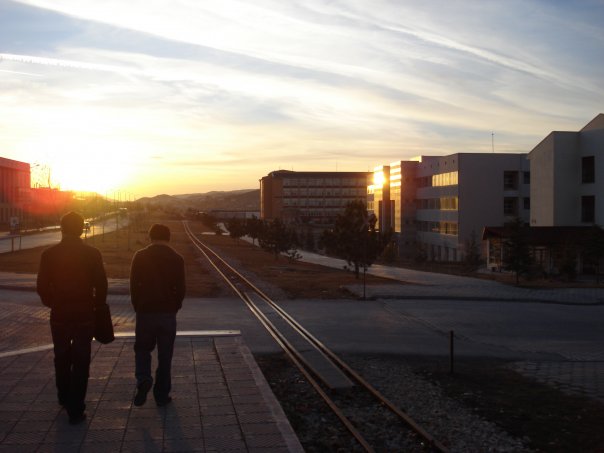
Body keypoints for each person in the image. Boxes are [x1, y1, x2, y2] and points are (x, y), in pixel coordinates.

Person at [37, 211, 108, 425]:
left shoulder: (49, 254)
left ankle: (63, 395)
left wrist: (53, 302)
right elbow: (102, 284)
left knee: (61, 354)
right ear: (81, 228)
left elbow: (41, 287)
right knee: (81, 358)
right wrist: (96, 305)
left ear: (62, 228)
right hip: (84, 312)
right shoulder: (92, 253)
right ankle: (75, 407)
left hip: (59, 312)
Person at [130, 223, 185, 407]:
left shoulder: (139, 256)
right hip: (167, 313)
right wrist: (175, 306)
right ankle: (162, 395)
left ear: (150, 236)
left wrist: (138, 305)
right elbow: (181, 289)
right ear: (168, 238)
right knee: (165, 355)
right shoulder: (177, 259)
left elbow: (133, 285)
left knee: (142, 349)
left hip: (145, 311)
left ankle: (143, 378)